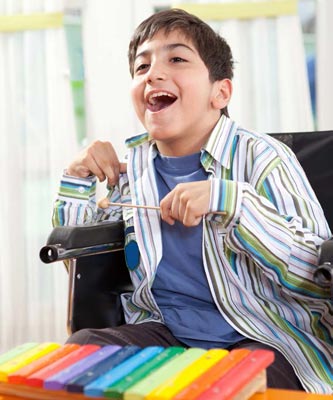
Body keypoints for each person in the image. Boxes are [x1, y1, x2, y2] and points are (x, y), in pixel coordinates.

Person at [52, 9, 332, 394]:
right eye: (141, 66)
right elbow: (82, 274)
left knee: (230, 385)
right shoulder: (130, 175)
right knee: (80, 353)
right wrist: (79, 180)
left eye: (177, 59)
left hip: (264, 337)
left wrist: (233, 202)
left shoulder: (264, 157)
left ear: (221, 92)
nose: (153, 73)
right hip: (167, 335)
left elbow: (315, 279)